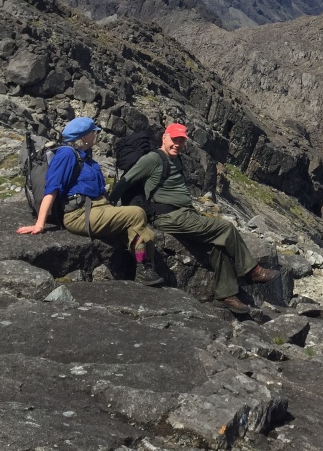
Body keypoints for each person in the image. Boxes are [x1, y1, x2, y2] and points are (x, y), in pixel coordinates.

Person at [110, 123, 278, 313]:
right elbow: (125, 181)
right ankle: (252, 271)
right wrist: (110, 207)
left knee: (218, 245)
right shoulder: (152, 159)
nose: (178, 144)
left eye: (181, 140)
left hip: (184, 213)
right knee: (226, 228)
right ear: (164, 137)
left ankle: (226, 295)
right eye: (174, 139)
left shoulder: (176, 159)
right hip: (168, 216)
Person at [18, 116, 163, 286]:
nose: (95, 136)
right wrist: (40, 224)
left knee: (147, 234)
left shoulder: (84, 155)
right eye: (93, 133)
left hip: (98, 208)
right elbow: (52, 188)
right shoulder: (66, 154)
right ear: (85, 137)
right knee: (136, 213)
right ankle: (143, 269)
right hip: (79, 214)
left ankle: (143, 267)